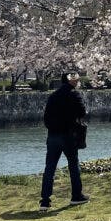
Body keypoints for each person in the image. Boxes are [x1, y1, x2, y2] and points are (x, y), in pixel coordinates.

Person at [41, 73, 89, 209]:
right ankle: (76, 196)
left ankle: (45, 201)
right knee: (73, 165)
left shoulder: (53, 96)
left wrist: (53, 128)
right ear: (71, 81)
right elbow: (82, 112)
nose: (78, 81)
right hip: (68, 135)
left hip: (53, 136)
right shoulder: (74, 95)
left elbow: (46, 118)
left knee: (49, 168)